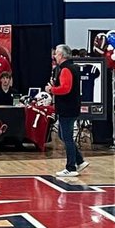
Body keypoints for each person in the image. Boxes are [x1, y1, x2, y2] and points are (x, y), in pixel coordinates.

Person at [47, 44, 86, 176]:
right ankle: (80, 161)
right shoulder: (73, 67)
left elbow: (65, 89)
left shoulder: (66, 69)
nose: (54, 56)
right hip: (71, 107)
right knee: (62, 135)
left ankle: (71, 168)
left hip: (67, 108)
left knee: (67, 137)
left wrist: (51, 89)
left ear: (61, 55)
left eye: (56, 53)